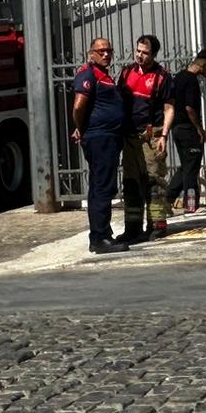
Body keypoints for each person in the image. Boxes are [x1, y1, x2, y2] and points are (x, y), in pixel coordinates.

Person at [70, 38, 129, 253]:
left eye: (109, 51)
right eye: (101, 51)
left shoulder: (104, 75)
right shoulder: (88, 73)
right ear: (91, 53)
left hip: (108, 137)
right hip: (100, 138)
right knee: (102, 188)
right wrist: (82, 128)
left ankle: (101, 235)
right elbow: (78, 107)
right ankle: (100, 237)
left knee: (103, 186)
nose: (106, 54)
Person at [118, 34, 171, 241]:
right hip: (130, 136)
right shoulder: (126, 73)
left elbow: (169, 107)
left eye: (145, 53)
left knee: (153, 181)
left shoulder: (162, 76)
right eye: (138, 51)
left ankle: (157, 225)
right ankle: (132, 228)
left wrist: (164, 134)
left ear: (154, 54)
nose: (140, 55)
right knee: (131, 182)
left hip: (152, 135)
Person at [163, 47, 206, 214]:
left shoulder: (179, 77)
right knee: (192, 167)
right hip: (187, 129)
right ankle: (191, 205)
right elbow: (189, 108)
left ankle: (167, 199)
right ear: (204, 64)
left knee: (186, 166)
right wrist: (199, 129)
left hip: (177, 128)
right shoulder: (191, 81)